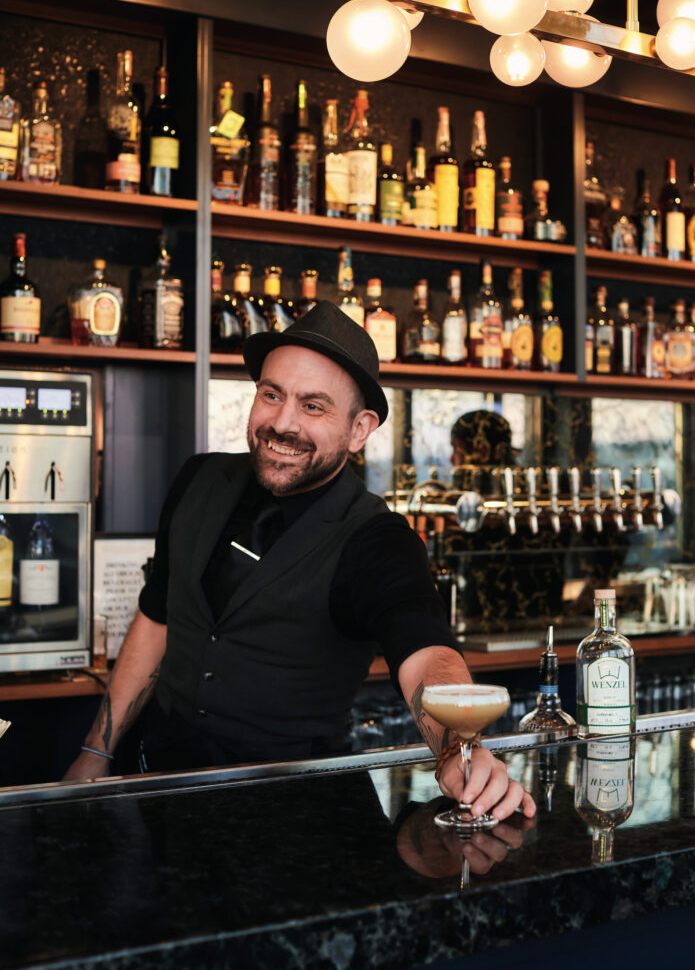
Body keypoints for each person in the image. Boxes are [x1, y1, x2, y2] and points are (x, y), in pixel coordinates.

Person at [64, 303, 534, 825]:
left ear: (359, 430)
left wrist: (457, 745)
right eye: (272, 394)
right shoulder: (198, 480)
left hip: (293, 814)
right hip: (161, 785)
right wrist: (97, 751)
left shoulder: (376, 538)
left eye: (314, 406)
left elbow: (426, 655)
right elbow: (157, 618)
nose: (281, 423)